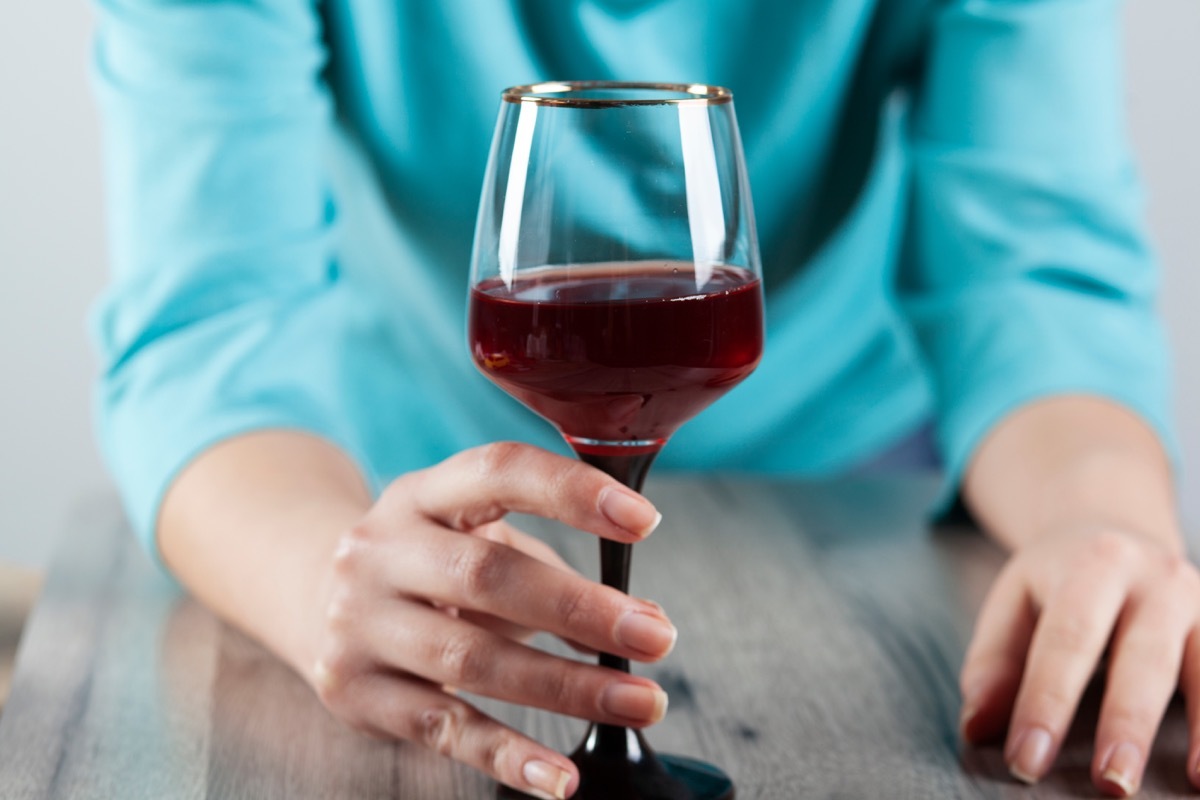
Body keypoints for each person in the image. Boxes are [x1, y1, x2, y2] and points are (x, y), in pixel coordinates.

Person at [90, 1, 1192, 798]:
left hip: (862, 513)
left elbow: (1037, 286)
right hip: (410, 510)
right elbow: (212, 327)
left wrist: (1103, 525)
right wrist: (317, 569)